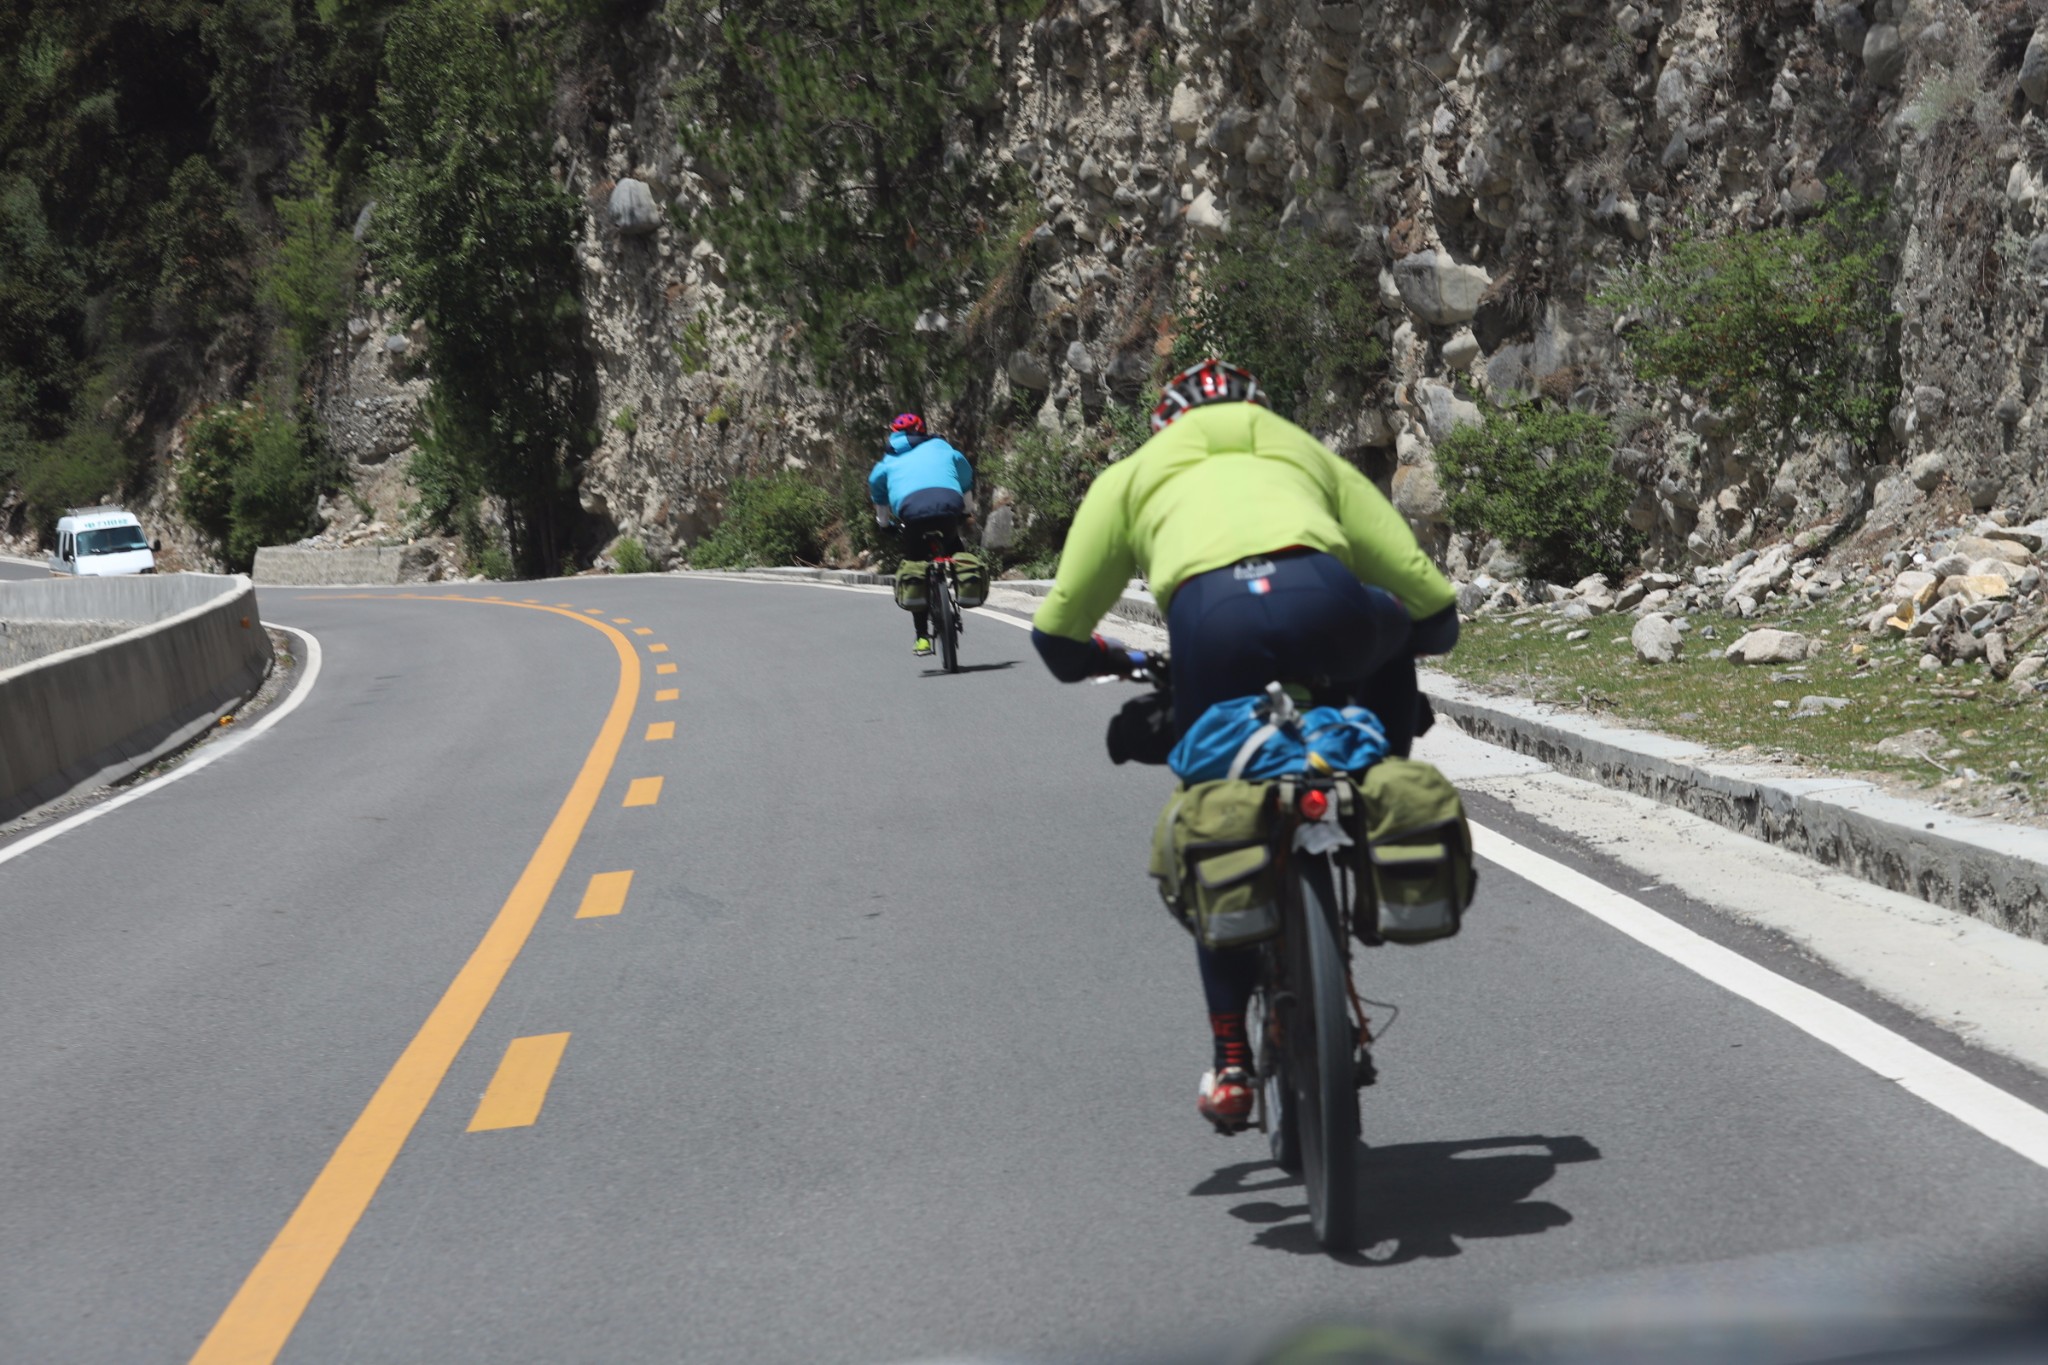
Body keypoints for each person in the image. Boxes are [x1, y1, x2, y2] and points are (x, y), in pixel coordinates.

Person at [1028, 359, 1460, 1132]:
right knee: (1390, 634)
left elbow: (1058, 631)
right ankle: (1377, 784)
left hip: (1210, 630)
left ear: (1168, 423)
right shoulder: (1302, 451)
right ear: (1259, 411)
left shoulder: (1133, 475)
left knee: (1214, 819)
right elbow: (1424, 595)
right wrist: (1406, 641)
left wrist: (1107, 659)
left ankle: (1231, 1061)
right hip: (1325, 609)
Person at [870, 413, 975, 656]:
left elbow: (877, 489)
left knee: (916, 569)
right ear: (922, 428)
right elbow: (964, 471)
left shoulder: (888, 460)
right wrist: (967, 509)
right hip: (948, 506)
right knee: (953, 544)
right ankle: (966, 580)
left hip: (912, 515)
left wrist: (884, 524)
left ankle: (922, 638)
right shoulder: (940, 446)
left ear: (894, 434)